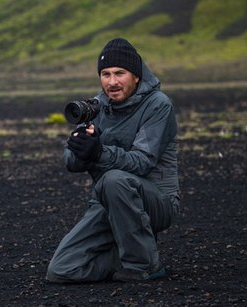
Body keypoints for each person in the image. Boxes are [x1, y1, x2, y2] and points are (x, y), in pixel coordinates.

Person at [46, 38, 180, 283]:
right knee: (61, 270)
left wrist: (99, 153)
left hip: (156, 202)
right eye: (105, 74)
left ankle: (145, 264)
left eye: (120, 73)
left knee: (113, 180)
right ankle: (128, 249)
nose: (112, 82)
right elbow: (71, 163)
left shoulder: (158, 105)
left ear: (137, 76)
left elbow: (143, 161)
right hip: (109, 201)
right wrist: (81, 150)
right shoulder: (97, 107)